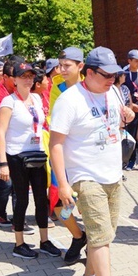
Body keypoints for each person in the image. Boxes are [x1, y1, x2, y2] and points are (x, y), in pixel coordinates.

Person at [49, 47, 138, 276]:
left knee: (106, 233)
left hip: (112, 172)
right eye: (106, 75)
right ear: (88, 72)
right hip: (85, 177)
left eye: (115, 74)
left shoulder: (111, 91)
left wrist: (128, 115)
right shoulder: (69, 101)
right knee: (100, 234)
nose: (112, 79)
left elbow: (116, 120)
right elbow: (55, 145)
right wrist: (63, 184)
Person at [0, 63, 62, 260]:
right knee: (22, 199)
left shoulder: (37, 98)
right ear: (14, 79)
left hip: (38, 154)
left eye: (30, 76)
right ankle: (19, 243)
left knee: (42, 198)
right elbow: (0, 133)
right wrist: (3, 163)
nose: (27, 79)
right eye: (22, 76)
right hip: (17, 156)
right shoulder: (9, 102)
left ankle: (44, 240)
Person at [46, 47, 89, 263]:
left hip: (85, 153)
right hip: (62, 150)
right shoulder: (57, 86)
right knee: (58, 201)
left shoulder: (90, 86)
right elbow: (55, 119)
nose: (61, 70)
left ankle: (95, 246)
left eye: (67, 66)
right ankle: (78, 236)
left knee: (88, 201)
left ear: (80, 66)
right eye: (60, 65)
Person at [0, 59, 27, 231]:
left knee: (17, 184)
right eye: (16, 76)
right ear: (5, 77)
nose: (20, 80)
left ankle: (15, 218)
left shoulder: (19, 94)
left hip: (15, 144)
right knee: (7, 182)